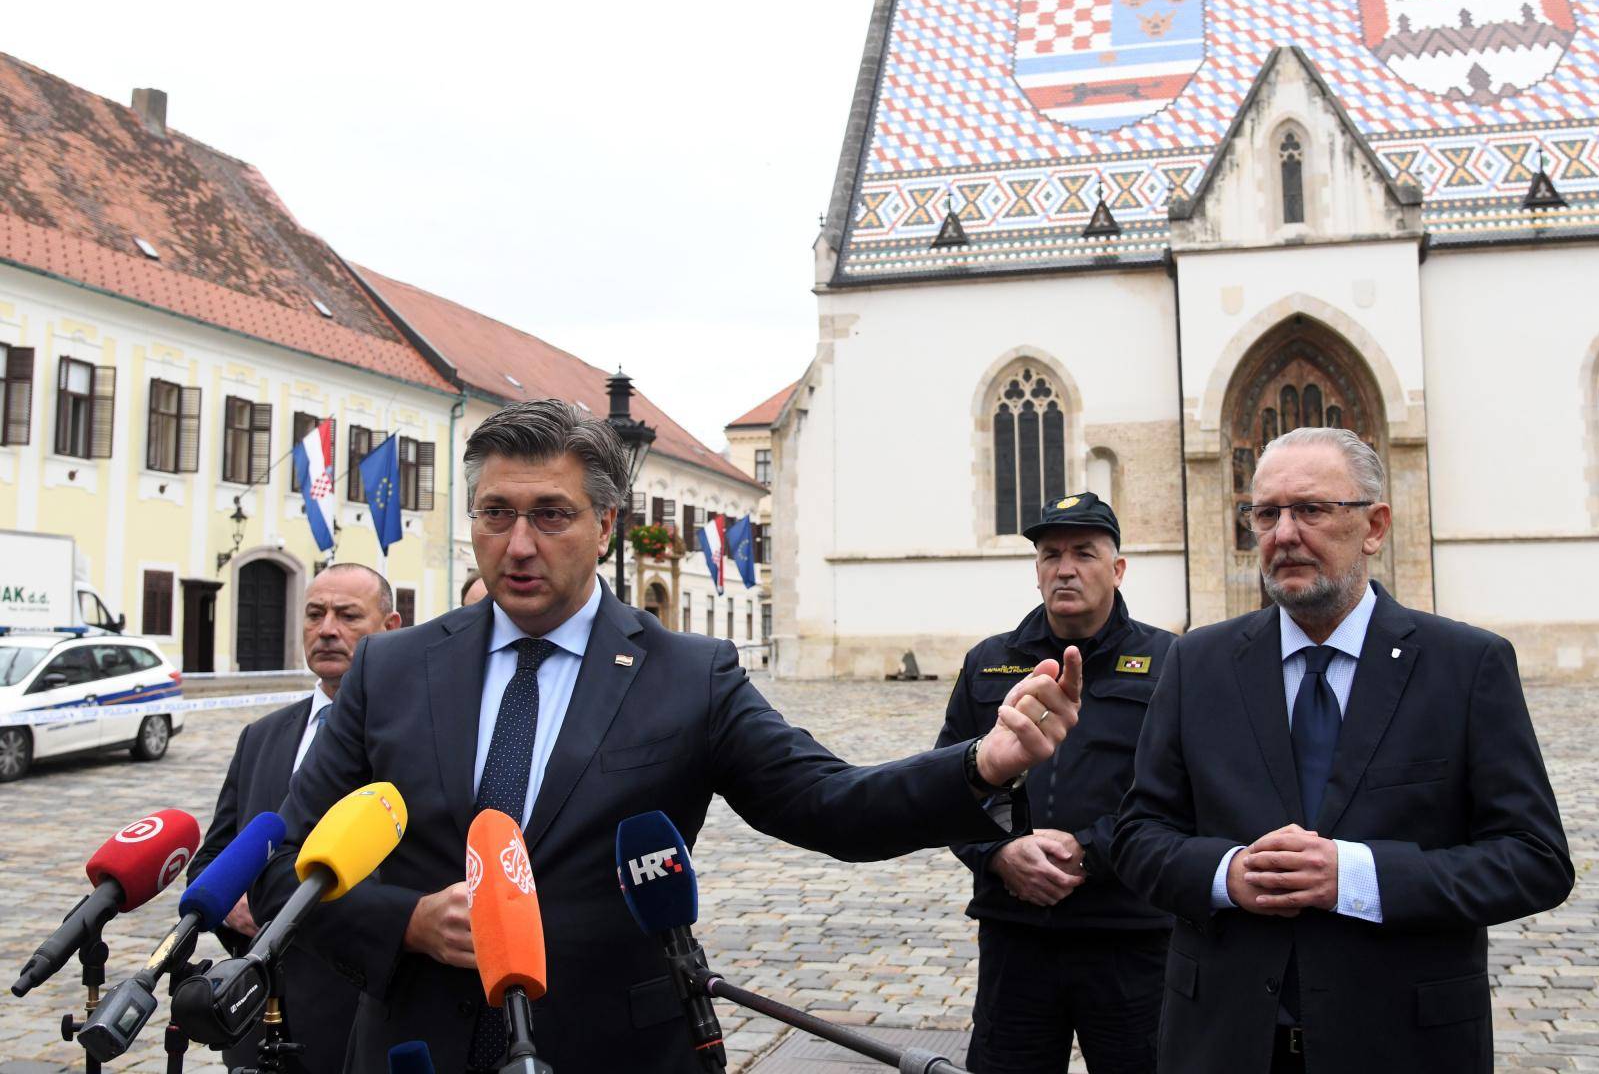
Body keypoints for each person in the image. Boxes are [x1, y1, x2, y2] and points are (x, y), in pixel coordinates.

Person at [254, 399, 1083, 1074]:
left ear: (607, 524)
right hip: (414, 1046)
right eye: (497, 514)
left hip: (613, 1048)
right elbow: (289, 864)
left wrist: (982, 763)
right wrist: (406, 922)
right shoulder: (392, 670)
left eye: (552, 515)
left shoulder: (688, 675)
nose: (519, 544)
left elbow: (833, 807)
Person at [1112, 427, 1572, 1074]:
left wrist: (1353, 877)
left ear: (1375, 525)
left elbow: (1535, 861)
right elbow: (1137, 837)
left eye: (1312, 509)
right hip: (1223, 1041)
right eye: (1265, 513)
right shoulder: (1197, 664)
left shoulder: (1466, 667)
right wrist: (1229, 875)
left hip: (1404, 1045)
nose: (1284, 534)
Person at [937, 492, 1173, 1073]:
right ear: (1036, 570)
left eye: (1084, 553)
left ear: (1117, 569)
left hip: (1129, 935)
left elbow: (1178, 795)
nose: (1065, 568)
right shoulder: (989, 663)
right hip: (1017, 937)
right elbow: (949, 785)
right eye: (1050, 554)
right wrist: (999, 854)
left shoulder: (1171, 663)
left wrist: (1087, 851)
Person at [189, 563, 402, 1072]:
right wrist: (231, 905)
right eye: (314, 614)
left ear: (390, 628)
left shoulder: (410, 741)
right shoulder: (261, 736)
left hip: (361, 1017)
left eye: (348, 616)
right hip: (259, 1015)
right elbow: (210, 861)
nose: (327, 629)